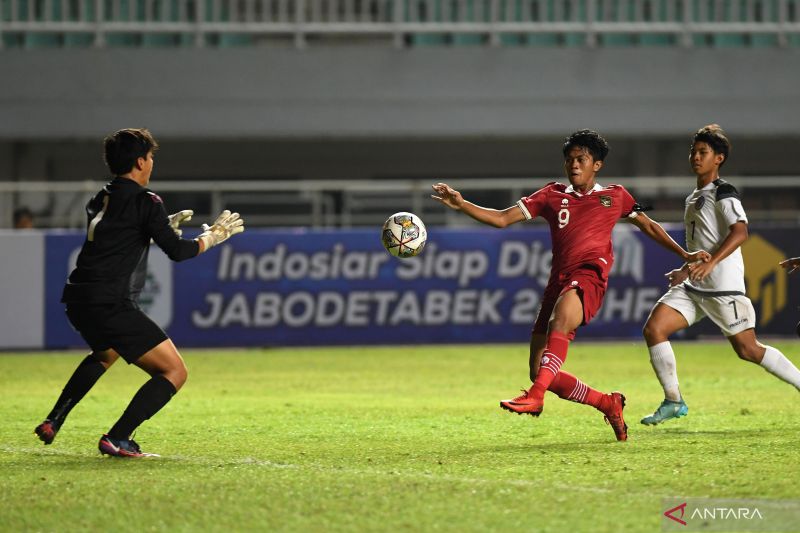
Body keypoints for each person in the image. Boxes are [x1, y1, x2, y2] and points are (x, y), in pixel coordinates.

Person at [431, 130, 708, 441]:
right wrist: (462, 203)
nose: (574, 165)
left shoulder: (615, 196)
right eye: (569, 160)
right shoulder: (551, 195)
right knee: (539, 371)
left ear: (597, 165)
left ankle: (536, 397)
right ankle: (607, 403)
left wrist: (684, 253)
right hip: (558, 281)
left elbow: (649, 227)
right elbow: (501, 219)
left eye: (581, 159)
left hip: (590, 275)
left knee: (560, 323)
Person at [34, 128, 245, 457]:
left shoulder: (101, 196)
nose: (151, 162)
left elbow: (119, 235)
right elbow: (178, 252)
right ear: (139, 162)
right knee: (174, 371)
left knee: (106, 354)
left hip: (78, 298)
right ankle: (118, 437)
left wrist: (158, 226)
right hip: (110, 302)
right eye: (150, 157)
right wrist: (214, 236)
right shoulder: (147, 201)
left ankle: (53, 420)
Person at [640, 124, 800, 426]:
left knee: (749, 350)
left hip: (723, 288)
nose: (696, 157)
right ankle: (674, 401)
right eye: (693, 151)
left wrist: (711, 263)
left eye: (703, 152)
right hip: (695, 286)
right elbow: (703, 246)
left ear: (719, 158)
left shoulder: (724, 191)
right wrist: (687, 268)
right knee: (654, 329)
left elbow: (740, 232)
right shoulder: (694, 196)